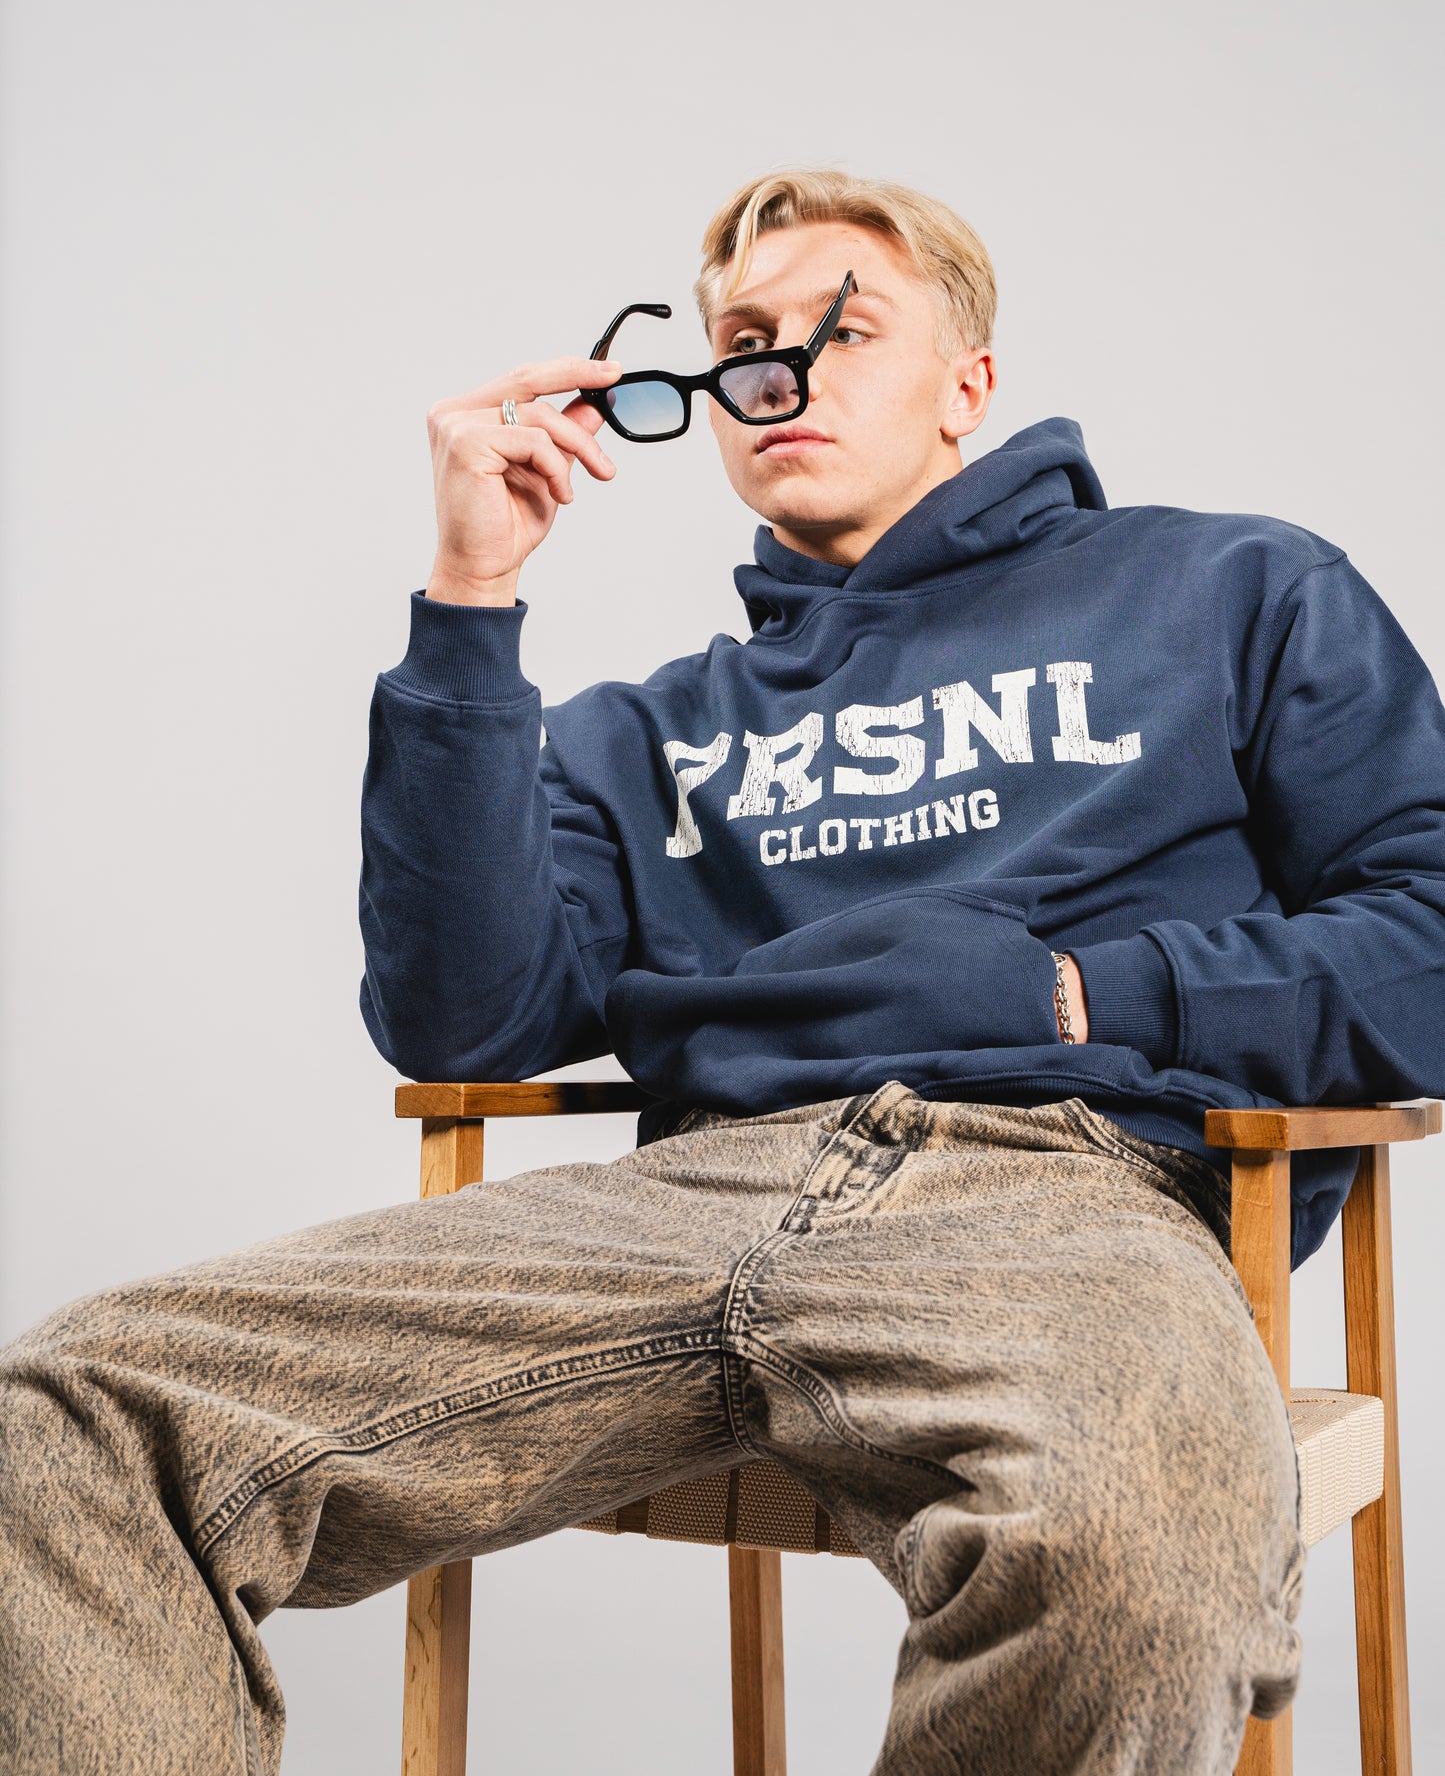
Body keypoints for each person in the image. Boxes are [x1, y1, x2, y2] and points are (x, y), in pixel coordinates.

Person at [3, 169, 1444, 1776]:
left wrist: (1079, 1000)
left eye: (843, 330)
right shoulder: (639, 731)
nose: (781, 377)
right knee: (75, 1418)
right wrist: (473, 595)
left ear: (967, 384)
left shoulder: (1233, 589)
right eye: (745, 346)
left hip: (1062, 1191)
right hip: (683, 1201)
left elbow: (1429, 942)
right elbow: (458, 1020)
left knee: (1133, 1554)